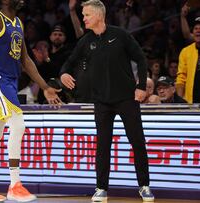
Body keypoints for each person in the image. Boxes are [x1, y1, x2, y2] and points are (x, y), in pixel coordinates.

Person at [60, 0, 154, 202]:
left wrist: (140, 87)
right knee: (102, 145)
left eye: (86, 15)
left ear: (98, 16)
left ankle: (144, 186)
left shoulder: (120, 35)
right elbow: (68, 63)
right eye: (83, 15)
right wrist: (63, 74)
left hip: (127, 98)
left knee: (137, 142)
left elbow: (141, 59)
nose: (83, 18)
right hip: (101, 101)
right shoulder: (86, 41)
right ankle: (101, 188)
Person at [0, 0, 62, 202]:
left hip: (11, 80)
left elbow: (26, 60)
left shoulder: (18, 23)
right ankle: (15, 185)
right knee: (18, 125)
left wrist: (45, 86)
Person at [175, 17, 200, 104]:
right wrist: (180, 100)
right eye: (195, 28)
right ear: (192, 32)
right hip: (191, 101)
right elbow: (181, 77)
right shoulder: (185, 51)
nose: (198, 31)